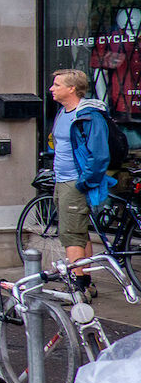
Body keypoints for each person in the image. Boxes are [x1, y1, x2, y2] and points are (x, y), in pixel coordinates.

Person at [49, 69, 115, 289]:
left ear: (71, 89)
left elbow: (99, 155)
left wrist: (84, 181)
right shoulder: (63, 112)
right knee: (79, 231)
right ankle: (86, 283)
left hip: (74, 181)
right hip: (63, 179)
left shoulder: (88, 115)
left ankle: (77, 288)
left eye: (57, 85)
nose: (52, 88)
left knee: (71, 234)